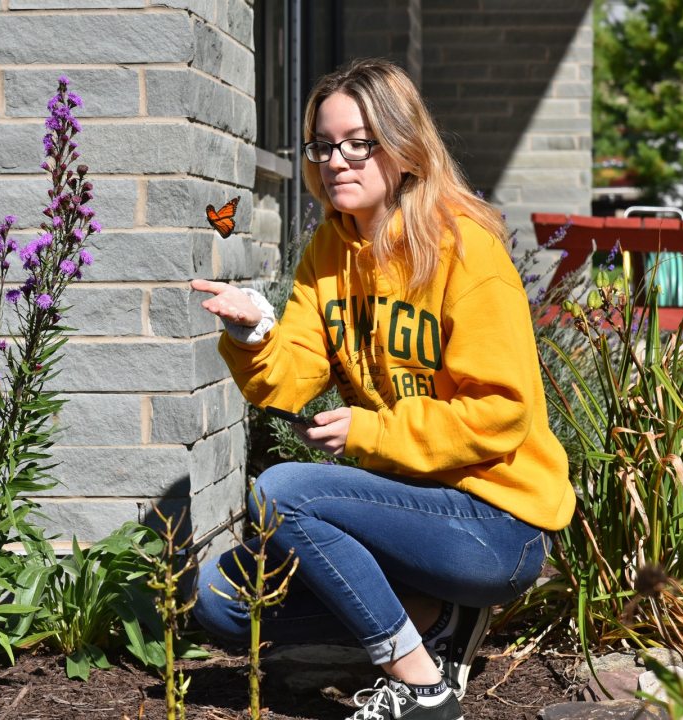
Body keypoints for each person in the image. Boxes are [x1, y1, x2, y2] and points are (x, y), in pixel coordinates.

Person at [190, 58, 575, 720]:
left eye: (357, 142)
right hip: (404, 514)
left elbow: (500, 412)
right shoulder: (327, 253)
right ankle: (433, 613)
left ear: (402, 146)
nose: (336, 159)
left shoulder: (465, 249)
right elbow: (291, 378)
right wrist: (255, 332)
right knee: (218, 601)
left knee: (280, 493)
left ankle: (421, 685)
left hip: (494, 523)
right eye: (322, 144)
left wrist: (369, 431)